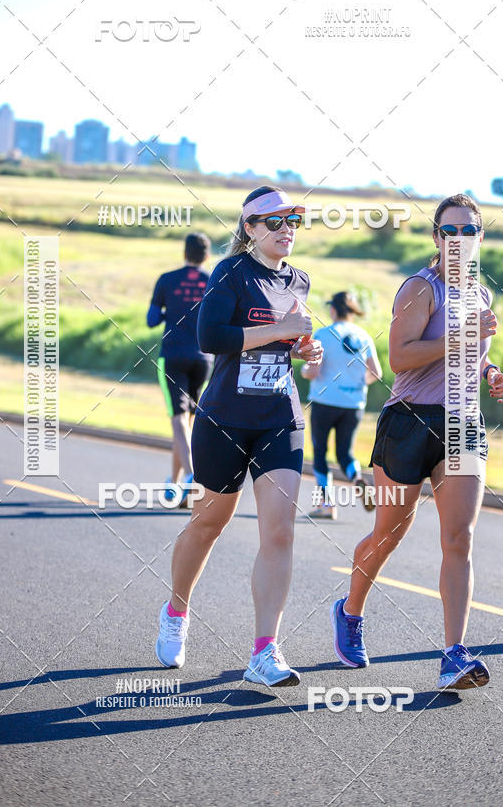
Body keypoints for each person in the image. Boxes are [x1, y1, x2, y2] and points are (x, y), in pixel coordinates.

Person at [330, 193, 503, 691]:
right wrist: (462, 336)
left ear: (480, 238)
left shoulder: (480, 295)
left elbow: (469, 359)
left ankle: (454, 654)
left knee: (460, 538)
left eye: (467, 231)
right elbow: (399, 359)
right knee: (390, 533)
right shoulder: (420, 287)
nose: (457, 240)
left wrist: (492, 373)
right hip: (408, 422)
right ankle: (350, 611)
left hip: (462, 424)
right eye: (447, 231)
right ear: (436, 237)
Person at [155, 185, 323, 686]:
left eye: (294, 219)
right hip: (225, 417)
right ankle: (176, 611)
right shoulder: (231, 271)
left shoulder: (300, 281)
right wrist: (278, 331)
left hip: (279, 416)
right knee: (210, 523)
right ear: (249, 228)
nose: (286, 228)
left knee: (279, 530)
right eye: (274, 221)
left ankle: (264, 652)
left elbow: (285, 343)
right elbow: (212, 339)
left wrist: (304, 354)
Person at [301, 291, 382, 519]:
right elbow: (376, 373)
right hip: (353, 403)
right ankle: (357, 478)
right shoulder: (364, 336)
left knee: (320, 452)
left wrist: (303, 371)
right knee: (345, 453)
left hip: (325, 401)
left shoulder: (323, 335)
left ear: (333, 310)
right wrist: (355, 385)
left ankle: (326, 504)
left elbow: (313, 371)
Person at [147, 232, 213, 508]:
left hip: (173, 355)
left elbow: (151, 320)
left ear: (184, 253)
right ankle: (174, 486)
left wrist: (168, 313)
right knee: (188, 421)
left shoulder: (167, 279)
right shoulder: (213, 280)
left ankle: (190, 476)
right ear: (206, 256)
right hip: (204, 358)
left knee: (177, 419)